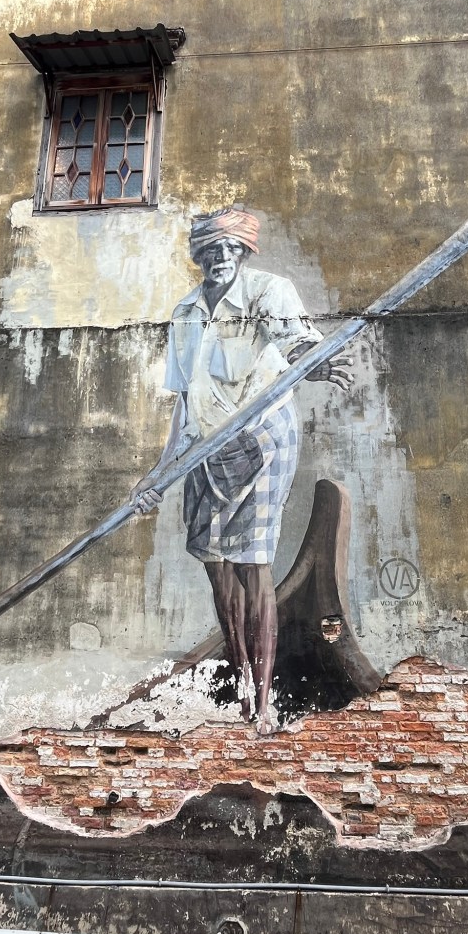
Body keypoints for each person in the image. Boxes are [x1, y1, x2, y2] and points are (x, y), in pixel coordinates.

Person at [132, 207, 353, 734]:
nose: (219, 258)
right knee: (216, 566)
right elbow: (186, 403)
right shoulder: (187, 313)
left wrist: (314, 363)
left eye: (230, 249)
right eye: (210, 251)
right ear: (198, 257)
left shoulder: (267, 293)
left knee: (252, 564)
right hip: (206, 449)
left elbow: (299, 346)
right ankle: (244, 687)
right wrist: (158, 474)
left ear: (244, 252)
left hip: (261, 442)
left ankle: (263, 705)